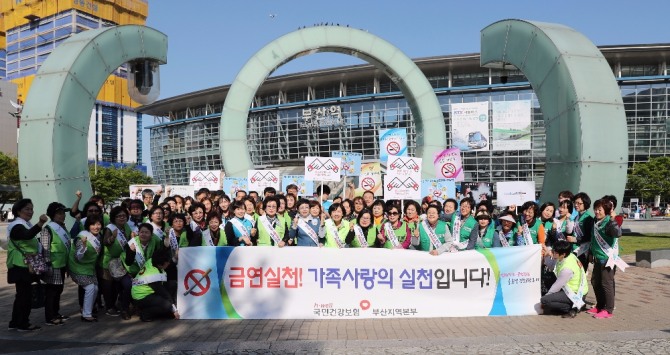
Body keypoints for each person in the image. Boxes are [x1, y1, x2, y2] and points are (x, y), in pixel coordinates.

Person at [7, 198, 48, 331]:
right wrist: (40, 223)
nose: (30, 211)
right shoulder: (17, 226)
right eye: (27, 209)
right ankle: (23, 323)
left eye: (31, 209)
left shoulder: (24, 223)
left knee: (22, 295)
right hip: (20, 265)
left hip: (26, 264)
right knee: (24, 296)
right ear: (18, 211)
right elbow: (27, 235)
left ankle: (15, 322)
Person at [587, 198, 623, 319]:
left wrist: (613, 220)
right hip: (597, 257)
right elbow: (593, 239)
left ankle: (608, 309)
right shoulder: (596, 222)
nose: (597, 212)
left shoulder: (609, 222)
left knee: (606, 284)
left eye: (600, 209)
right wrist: (591, 253)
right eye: (595, 209)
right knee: (595, 282)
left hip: (607, 258)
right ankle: (600, 305)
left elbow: (617, 233)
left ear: (606, 211)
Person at [41, 202, 71, 326]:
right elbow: (45, 247)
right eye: (59, 213)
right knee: (52, 291)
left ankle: (56, 313)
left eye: (63, 213)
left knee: (58, 290)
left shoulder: (62, 227)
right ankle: (50, 316)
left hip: (62, 263)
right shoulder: (48, 229)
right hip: (53, 264)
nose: (62, 215)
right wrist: (47, 264)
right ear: (53, 215)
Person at [540, 240, 588, 318]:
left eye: (555, 252)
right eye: (553, 250)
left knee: (545, 300)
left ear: (563, 254)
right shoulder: (569, 256)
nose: (552, 252)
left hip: (576, 293)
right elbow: (552, 267)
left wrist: (544, 300)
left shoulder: (567, 269)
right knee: (547, 291)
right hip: (571, 288)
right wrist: (547, 255)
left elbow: (556, 287)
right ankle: (568, 305)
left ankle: (573, 307)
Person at [69, 215, 103, 322]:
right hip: (77, 267)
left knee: (96, 289)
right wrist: (83, 246)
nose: (96, 227)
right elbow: (78, 256)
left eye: (98, 224)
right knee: (90, 288)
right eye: (93, 224)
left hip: (89, 268)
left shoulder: (98, 236)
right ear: (88, 226)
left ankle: (86, 310)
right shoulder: (82, 237)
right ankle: (86, 314)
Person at [101, 206, 133, 319]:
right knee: (109, 285)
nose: (122, 218)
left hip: (122, 260)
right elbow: (105, 242)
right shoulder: (109, 228)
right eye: (119, 216)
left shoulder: (127, 227)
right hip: (109, 261)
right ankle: (109, 306)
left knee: (121, 284)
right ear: (114, 218)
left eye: (124, 215)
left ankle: (121, 305)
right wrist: (112, 238)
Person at [131, 248, 179, 322]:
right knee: (167, 305)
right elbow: (164, 293)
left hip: (150, 289)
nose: (169, 263)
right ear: (160, 265)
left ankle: (167, 311)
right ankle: (145, 314)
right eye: (167, 262)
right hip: (141, 296)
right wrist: (174, 309)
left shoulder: (152, 260)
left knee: (172, 284)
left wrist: (175, 257)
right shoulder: (153, 275)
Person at [571, 192, 594, 271]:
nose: (576, 205)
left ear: (585, 204)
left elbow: (589, 236)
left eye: (579, 203)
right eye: (575, 202)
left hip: (583, 250)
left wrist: (576, 239)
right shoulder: (577, 216)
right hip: (575, 248)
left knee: (580, 273)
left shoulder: (588, 218)